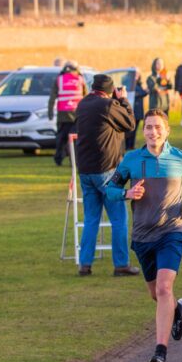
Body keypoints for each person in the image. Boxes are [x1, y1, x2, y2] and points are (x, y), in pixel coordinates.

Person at [107, 109, 182, 362]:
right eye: (148, 127)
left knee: (163, 287)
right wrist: (126, 192)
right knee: (156, 294)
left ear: (167, 130)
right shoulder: (132, 160)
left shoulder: (180, 157)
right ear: (143, 131)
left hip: (172, 231)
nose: (153, 132)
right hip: (142, 235)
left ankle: (160, 351)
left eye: (158, 127)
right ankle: (176, 310)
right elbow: (109, 189)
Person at [74, 74, 139, 276]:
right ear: (110, 90)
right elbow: (129, 124)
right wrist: (124, 100)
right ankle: (121, 265)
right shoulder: (108, 105)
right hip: (106, 170)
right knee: (118, 218)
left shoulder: (83, 104)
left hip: (85, 171)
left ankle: (85, 264)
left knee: (91, 219)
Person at [48, 60, 88, 166]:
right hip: (77, 114)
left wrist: (50, 112)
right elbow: (86, 96)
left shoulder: (59, 79)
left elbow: (52, 97)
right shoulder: (80, 79)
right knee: (75, 139)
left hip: (63, 115)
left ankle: (58, 159)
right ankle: (74, 161)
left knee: (61, 139)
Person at [126, 69, 148, 151]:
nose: (137, 75)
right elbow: (136, 94)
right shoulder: (129, 84)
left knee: (134, 130)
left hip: (138, 110)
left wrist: (145, 91)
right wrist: (144, 92)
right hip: (132, 110)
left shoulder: (138, 84)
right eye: (135, 74)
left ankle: (131, 145)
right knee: (130, 129)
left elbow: (141, 93)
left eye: (138, 74)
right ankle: (128, 145)